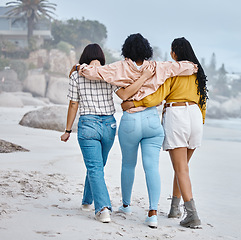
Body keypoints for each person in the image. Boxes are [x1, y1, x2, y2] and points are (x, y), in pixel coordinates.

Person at [77, 33, 198, 228]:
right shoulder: (157, 67)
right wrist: (193, 67)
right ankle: (152, 213)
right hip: (152, 120)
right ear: (146, 50)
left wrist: (79, 67)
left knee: (128, 164)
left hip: (131, 120)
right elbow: (187, 67)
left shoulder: (119, 68)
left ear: (126, 50)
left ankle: (125, 205)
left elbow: (94, 72)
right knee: (151, 167)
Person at [60, 43, 154, 223]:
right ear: (101, 58)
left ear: (84, 58)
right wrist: (143, 78)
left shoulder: (76, 75)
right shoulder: (109, 73)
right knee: (97, 166)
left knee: (95, 167)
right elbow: (125, 94)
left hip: (88, 125)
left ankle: (102, 208)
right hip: (109, 126)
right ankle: (87, 201)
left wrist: (67, 130)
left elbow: (73, 104)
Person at [121, 37, 208, 229]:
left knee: (180, 168)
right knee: (183, 167)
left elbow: (158, 96)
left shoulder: (173, 71)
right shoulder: (197, 72)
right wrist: (200, 121)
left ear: (176, 52)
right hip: (195, 117)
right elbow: (203, 101)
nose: (170, 54)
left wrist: (135, 103)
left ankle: (192, 215)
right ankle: (175, 208)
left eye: (171, 50)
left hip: (178, 115)